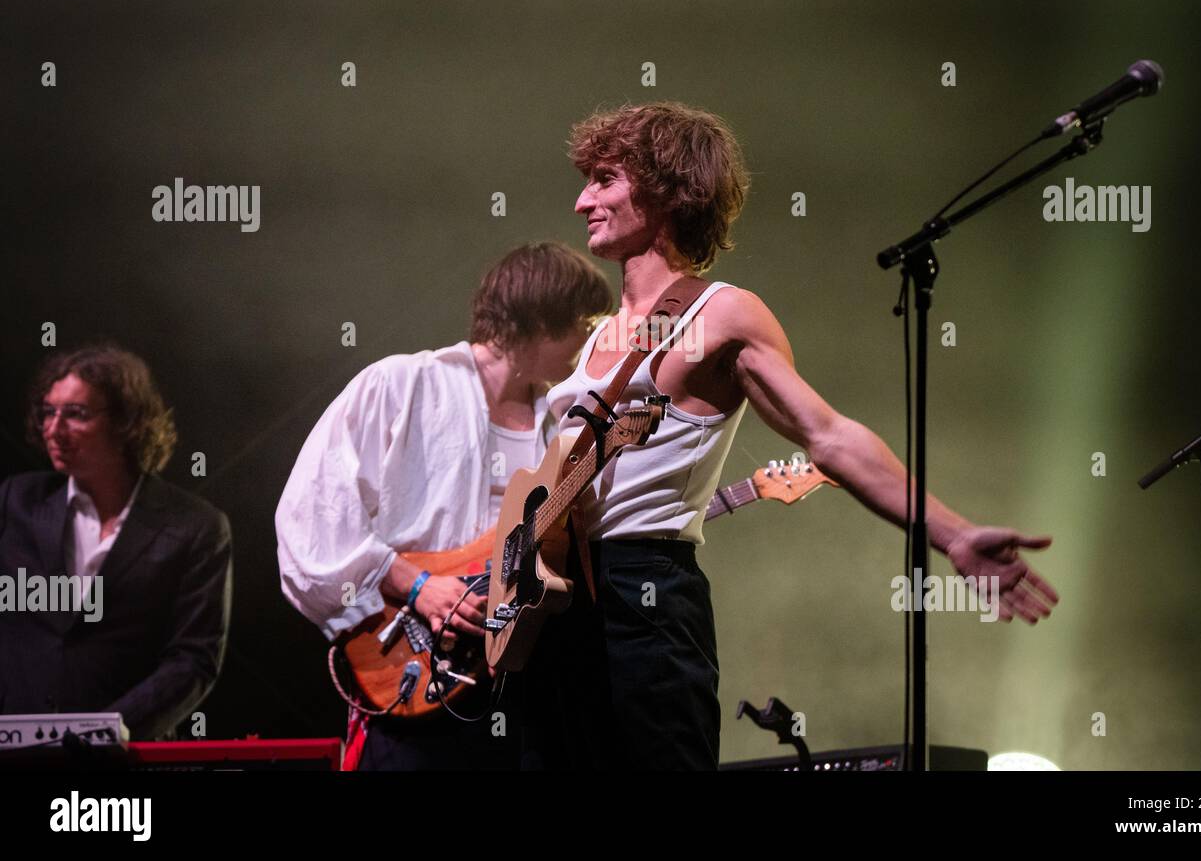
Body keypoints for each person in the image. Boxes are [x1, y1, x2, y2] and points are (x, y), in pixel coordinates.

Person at [519, 102, 1061, 769]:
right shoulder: (596, 335)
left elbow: (829, 437)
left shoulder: (721, 313)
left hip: (645, 593)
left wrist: (949, 532)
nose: (582, 200)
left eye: (604, 179)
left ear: (665, 187)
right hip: (560, 600)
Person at [275, 241, 613, 769]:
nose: (590, 339)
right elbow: (313, 513)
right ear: (541, 321)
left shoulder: (563, 425)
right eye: (585, 321)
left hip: (523, 693)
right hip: (412, 678)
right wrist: (416, 584)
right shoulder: (400, 385)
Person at [0, 345, 232, 741]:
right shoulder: (15, 502)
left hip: (130, 761)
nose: (53, 429)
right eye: (48, 412)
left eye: (75, 414)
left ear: (128, 422)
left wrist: (101, 733)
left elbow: (193, 660)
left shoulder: (196, 526)